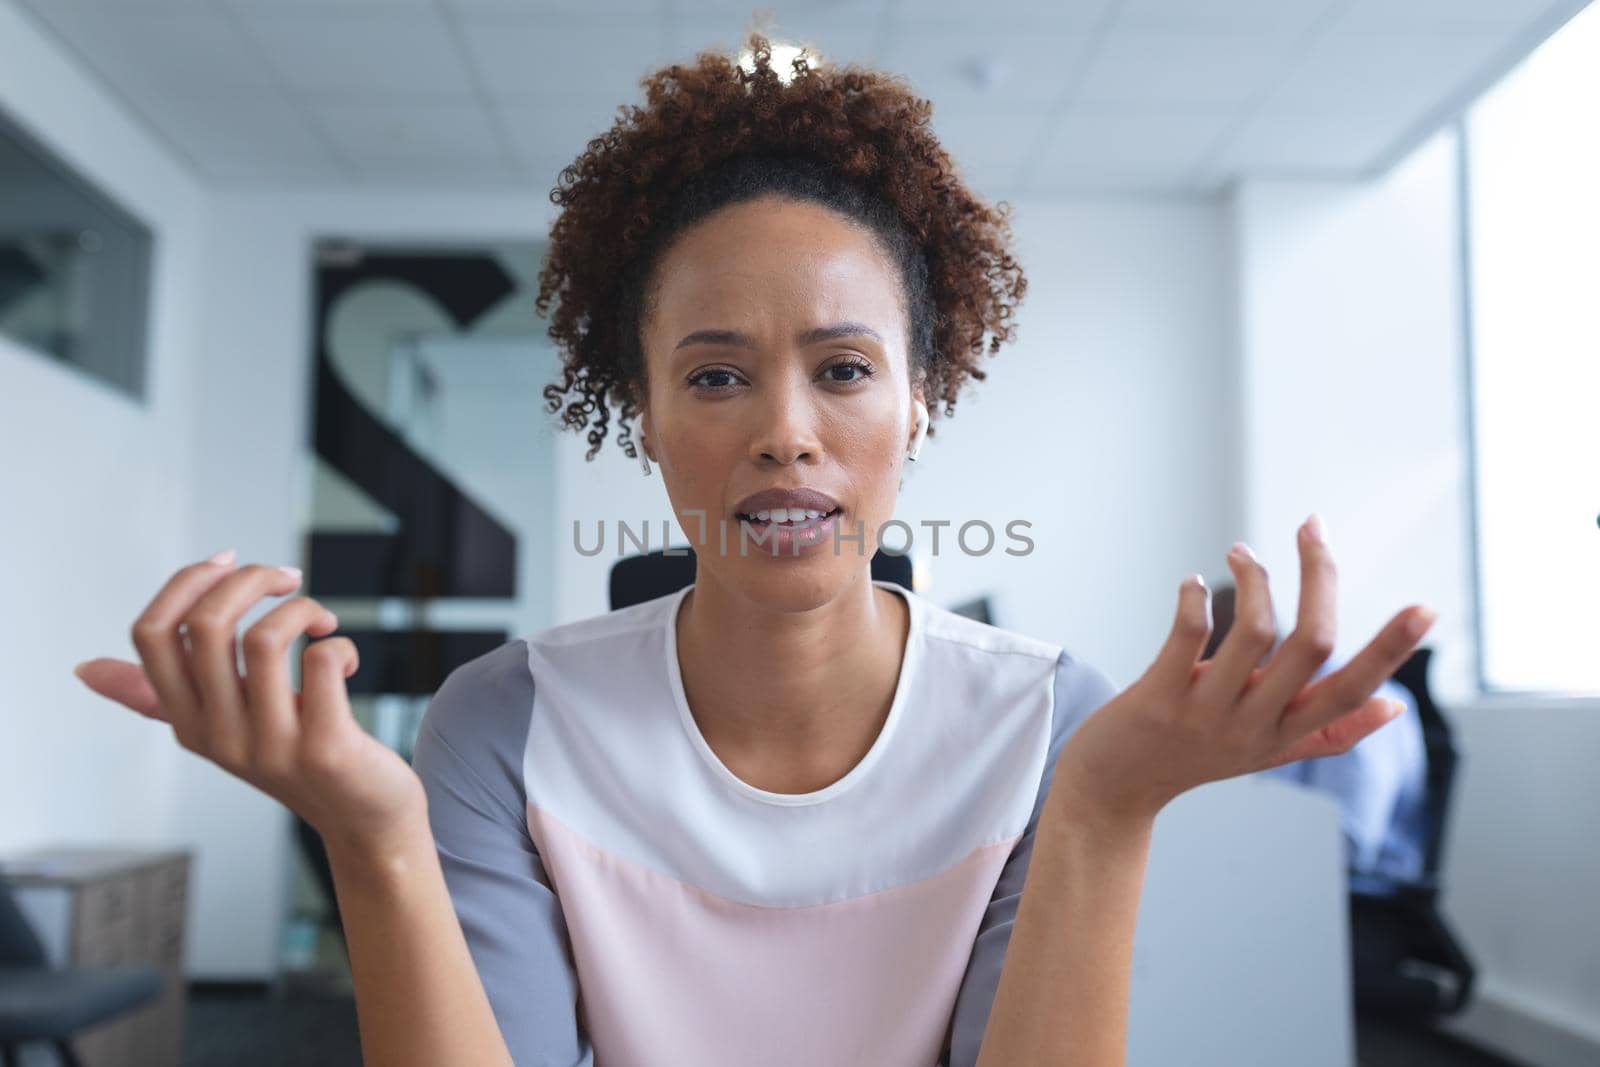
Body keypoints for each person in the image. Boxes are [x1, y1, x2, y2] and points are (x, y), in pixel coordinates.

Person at [71, 32, 1438, 1067]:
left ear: (919, 402)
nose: (786, 434)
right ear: (647, 417)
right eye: (717, 378)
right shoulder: (503, 723)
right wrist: (371, 835)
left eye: (843, 369)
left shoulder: (1053, 721)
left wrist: (1105, 804)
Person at [1204, 583, 1431, 898]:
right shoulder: (1267, 705)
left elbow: (1349, 845)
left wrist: (1237, 849)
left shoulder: (1357, 699)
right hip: (1285, 877)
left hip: (1360, 896)